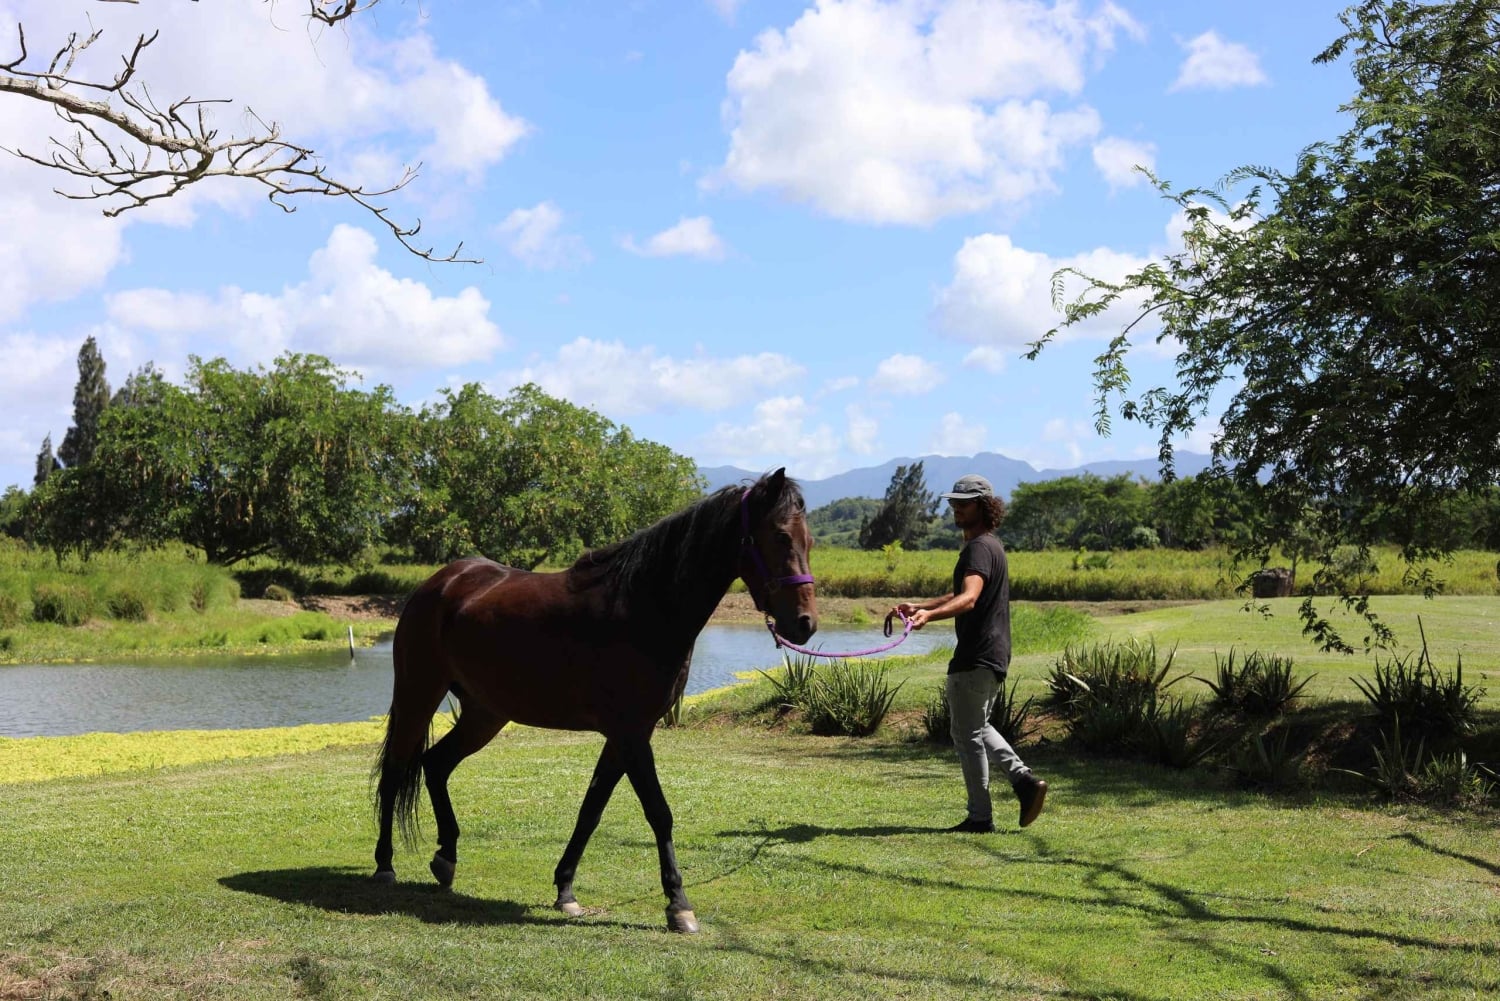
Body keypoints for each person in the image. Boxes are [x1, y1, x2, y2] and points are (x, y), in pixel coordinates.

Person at [892, 474, 1047, 832]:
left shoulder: (978, 548)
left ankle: (981, 816)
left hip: (976, 654)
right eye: (954, 503)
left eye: (964, 503)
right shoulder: (990, 547)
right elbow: (960, 593)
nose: (956, 508)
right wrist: (922, 605)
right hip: (992, 654)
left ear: (984, 506)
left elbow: (970, 598)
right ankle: (1023, 782)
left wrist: (928, 616)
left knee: (967, 735)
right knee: (975, 727)